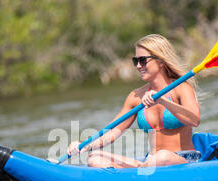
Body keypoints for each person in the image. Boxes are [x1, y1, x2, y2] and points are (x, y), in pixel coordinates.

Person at [67, 34, 200, 168]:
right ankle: (141, 171)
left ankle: (141, 171)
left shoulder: (181, 88)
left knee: (162, 156)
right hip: (151, 161)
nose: (138, 66)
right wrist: (84, 146)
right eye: (135, 61)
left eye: (142, 60)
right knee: (95, 159)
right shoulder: (136, 97)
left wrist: (163, 101)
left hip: (183, 159)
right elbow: (112, 132)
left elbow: (194, 120)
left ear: (160, 61)